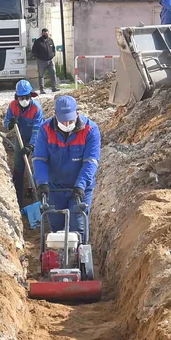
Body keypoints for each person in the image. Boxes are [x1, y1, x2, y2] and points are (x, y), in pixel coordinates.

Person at [33, 95, 100, 244]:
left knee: (78, 227)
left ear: (77, 114)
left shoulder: (90, 130)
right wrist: (42, 182)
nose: (67, 123)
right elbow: (39, 159)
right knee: (56, 227)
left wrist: (81, 185)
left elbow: (90, 162)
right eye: (63, 121)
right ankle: (58, 254)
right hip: (54, 187)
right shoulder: (45, 130)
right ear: (55, 115)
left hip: (80, 187)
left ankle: (80, 254)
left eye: (70, 120)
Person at [2, 79, 44, 204]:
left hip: (37, 140)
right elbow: (6, 122)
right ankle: (18, 199)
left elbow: (37, 129)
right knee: (18, 167)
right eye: (21, 97)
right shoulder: (13, 106)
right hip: (20, 137)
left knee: (38, 167)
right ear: (17, 97)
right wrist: (10, 124)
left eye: (26, 97)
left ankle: (39, 197)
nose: (24, 100)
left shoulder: (36, 109)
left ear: (30, 96)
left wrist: (31, 145)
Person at [31, 28, 58, 93]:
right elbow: (34, 51)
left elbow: (53, 48)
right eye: (44, 34)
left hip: (50, 60)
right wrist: (38, 56)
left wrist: (53, 54)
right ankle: (42, 89)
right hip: (41, 61)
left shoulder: (50, 40)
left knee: (53, 73)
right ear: (42, 33)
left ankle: (54, 87)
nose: (46, 35)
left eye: (47, 34)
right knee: (41, 75)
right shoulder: (38, 42)